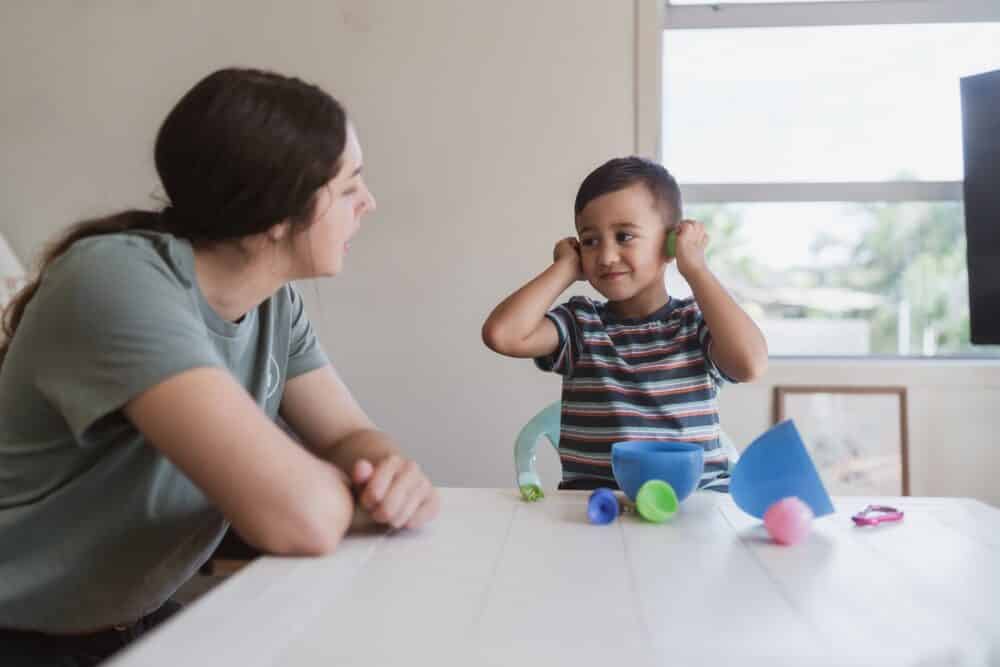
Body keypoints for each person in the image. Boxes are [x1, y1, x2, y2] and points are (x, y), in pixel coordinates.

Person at [0, 67, 440, 665]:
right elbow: (299, 520)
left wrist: (388, 471)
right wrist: (350, 493)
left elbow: (343, 434)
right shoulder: (116, 282)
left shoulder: (274, 302)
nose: (369, 203)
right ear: (279, 216)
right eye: (348, 186)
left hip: (127, 620)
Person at [482, 156, 767, 491]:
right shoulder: (580, 324)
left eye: (624, 236)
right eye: (590, 241)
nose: (605, 256)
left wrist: (696, 269)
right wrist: (564, 269)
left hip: (692, 511)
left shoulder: (695, 324)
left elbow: (751, 364)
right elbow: (502, 335)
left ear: (670, 243)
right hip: (596, 515)